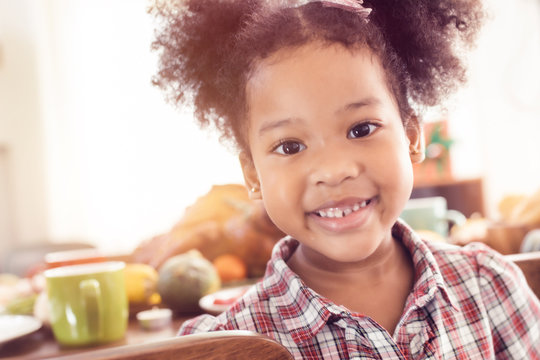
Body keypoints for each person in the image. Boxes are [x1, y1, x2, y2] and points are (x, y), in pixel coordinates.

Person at [150, 0, 540, 358]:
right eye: (289, 146)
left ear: (411, 137)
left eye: (361, 129)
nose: (335, 170)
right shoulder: (228, 346)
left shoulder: (490, 286)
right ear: (252, 175)